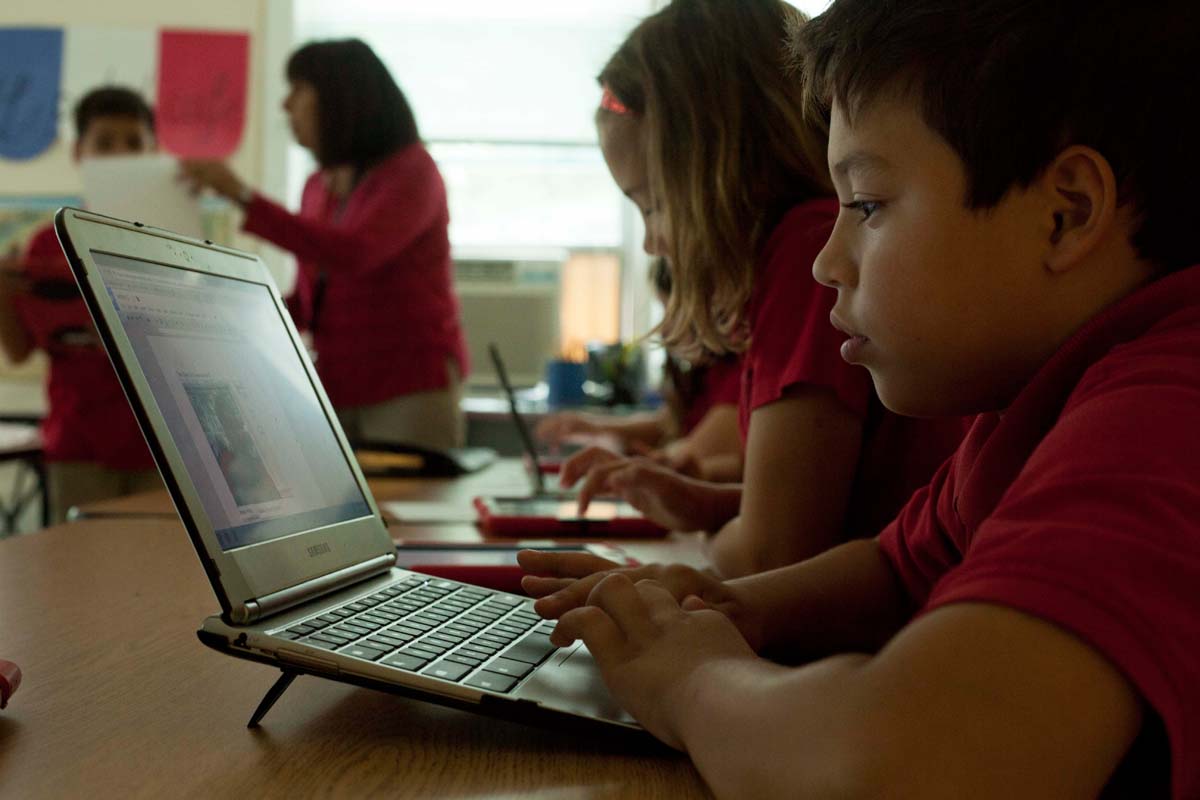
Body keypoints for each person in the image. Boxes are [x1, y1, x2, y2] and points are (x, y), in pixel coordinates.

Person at [519, 0, 1200, 795]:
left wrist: (687, 680)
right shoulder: (1026, 411)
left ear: (1067, 212)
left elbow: (903, 765)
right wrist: (730, 608)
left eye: (868, 206)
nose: (825, 262)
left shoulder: (1167, 411)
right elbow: (895, 568)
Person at [557, 0, 965, 577]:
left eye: (653, 204)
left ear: (713, 169)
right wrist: (703, 505)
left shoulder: (807, 252)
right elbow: (847, 513)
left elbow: (772, 556)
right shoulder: (801, 248)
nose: (650, 242)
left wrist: (687, 550)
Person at [180, 39, 469, 451]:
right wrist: (230, 308)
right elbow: (316, 296)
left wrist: (241, 195)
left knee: (413, 508)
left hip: (407, 382)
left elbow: (354, 253)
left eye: (298, 89)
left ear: (338, 97)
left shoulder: (412, 171)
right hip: (337, 383)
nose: (286, 106)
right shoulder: (318, 185)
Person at [0, 86, 160, 523]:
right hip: (78, 443)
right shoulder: (46, 242)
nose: (120, 155)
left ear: (154, 151)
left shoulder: (169, 239)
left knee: (166, 569)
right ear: (79, 153)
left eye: (133, 143)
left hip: (163, 444)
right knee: (82, 576)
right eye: (104, 143)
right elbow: (18, 351)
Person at [535, 258, 744, 482]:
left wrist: (619, 452)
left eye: (671, 311)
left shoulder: (738, 376)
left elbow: (685, 459)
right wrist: (592, 426)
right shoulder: (708, 371)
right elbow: (664, 423)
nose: (663, 330)